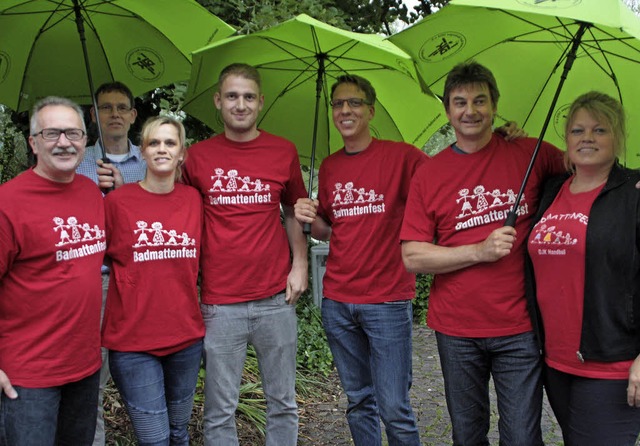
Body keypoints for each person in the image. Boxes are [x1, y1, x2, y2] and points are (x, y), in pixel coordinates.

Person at [400, 61, 565, 446]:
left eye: (480, 101)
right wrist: (478, 251)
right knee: (468, 435)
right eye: (460, 102)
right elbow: (413, 257)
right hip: (457, 328)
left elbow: (585, 165)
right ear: (447, 110)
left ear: (495, 105)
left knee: (523, 437)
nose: (470, 111)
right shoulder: (430, 174)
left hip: (520, 327)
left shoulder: (530, 153)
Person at [293, 74, 424, 446]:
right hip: (338, 300)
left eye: (353, 103)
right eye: (338, 104)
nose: (345, 110)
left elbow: (446, 181)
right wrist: (309, 213)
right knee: (358, 400)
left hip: (387, 299)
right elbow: (329, 230)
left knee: (394, 406)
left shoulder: (402, 157)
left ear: (370, 109)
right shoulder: (331, 167)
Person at [182, 63, 308, 446]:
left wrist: (300, 264)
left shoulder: (283, 151)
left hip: (275, 298)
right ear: (219, 101)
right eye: (232, 96)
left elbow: (293, 210)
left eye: (249, 97)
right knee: (220, 409)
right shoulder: (197, 158)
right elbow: (174, 210)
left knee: (282, 402)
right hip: (220, 303)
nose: (241, 104)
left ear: (260, 102)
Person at [526, 91, 640, 445]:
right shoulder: (552, 189)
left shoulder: (633, 191)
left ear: (618, 137)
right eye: (577, 130)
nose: (587, 138)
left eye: (600, 130)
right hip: (556, 362)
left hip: (612, 364)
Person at [0, 96, 106, 445]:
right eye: (52, 133)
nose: (64, 142)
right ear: (33, 142)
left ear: (86, 140)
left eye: (73, 133)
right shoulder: (8, 203)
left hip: (84, 367)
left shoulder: (91, 193)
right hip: (27, 374)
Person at [102, 116, 204, 445]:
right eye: (154, 143)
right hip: (134, 343)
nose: (162, 149)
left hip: (185, 338)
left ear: (182, 154)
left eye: (170, 143)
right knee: (155, 440)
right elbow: (90, 261)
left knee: (178, 434)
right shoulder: (117, 203)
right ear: (142, 152)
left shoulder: (194, 201)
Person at [76, 81, 146, 446]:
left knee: (147, 377)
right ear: (94, 115)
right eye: (106, 107)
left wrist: (122, 195)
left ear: (134, 115)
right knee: (93, 380)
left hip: (142, 283)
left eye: (122, 107)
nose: (114, 114)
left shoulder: (151, 163)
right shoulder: (75, 162)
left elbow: (159, 222)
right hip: (97, 283)